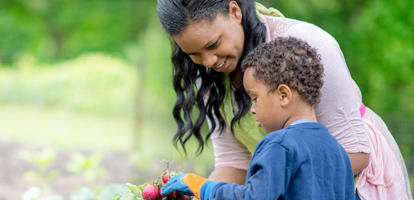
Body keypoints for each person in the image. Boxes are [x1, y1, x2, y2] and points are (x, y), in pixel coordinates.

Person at [156, 0, 412, 199]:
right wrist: (202, 192)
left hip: (350, 182)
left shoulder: (306, 43)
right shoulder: (209, 74)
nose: (209, 62)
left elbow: (355, 153)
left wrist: (272, 184)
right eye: (194, 53)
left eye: (213, 44)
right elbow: (234, 163)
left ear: (234, 11)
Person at [161, 37, 355, 199]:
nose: (252, 109)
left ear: (283, 95)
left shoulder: (280, 145)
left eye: (255, 98)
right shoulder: (337, 151)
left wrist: (204, 187)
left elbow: (253, 197)